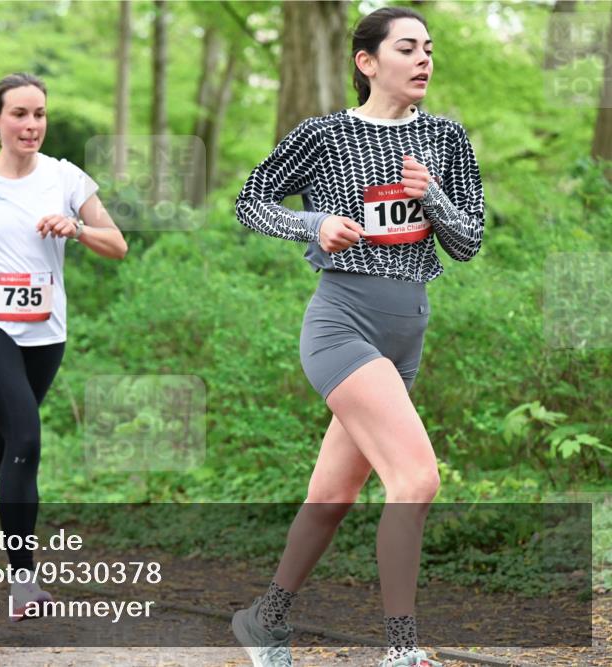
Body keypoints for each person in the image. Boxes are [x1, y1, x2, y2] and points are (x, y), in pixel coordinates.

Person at [231, 7, 484, 667]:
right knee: (416, 478)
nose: (424, 58)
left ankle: (265, 620)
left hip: (408, 332)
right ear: (367, 62)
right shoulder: (323, 135)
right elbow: (250, 198)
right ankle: (401, 650)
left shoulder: (447, 138)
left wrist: (432, 197)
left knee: (332, 497)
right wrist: (311, 223)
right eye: (408, 48)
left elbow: (468, 243)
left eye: (429, 47)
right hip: (342, 322)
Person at [0, 73, 128, 621]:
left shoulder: (66, 179)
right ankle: (23, 584)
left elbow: (118, 245)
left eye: (39, 114)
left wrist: (78, 229)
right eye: (19, 114)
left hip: (45, 331)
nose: (31, 125)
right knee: (26, 435)